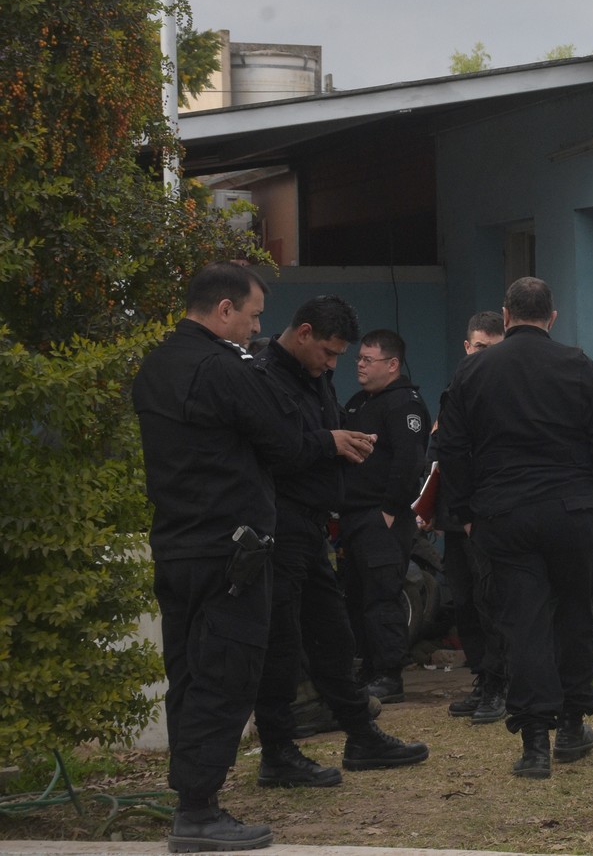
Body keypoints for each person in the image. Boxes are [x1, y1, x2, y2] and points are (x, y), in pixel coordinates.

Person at [132, 263, 374, 852]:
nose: (255, 327)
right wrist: (322, 442)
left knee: (189, 672)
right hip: (229, 550)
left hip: (177, 543)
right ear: (222, 310)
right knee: (227, 674)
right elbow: (286, 442)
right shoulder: (225, 369)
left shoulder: (157, 363)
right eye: (253, 315)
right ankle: (198, 812)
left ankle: (190, 792)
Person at [435, 277, 593, 780]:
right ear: (553, 316)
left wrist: (468, 512)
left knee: (522, 622)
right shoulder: (579, 367)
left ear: (505, 316)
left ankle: (534, 742)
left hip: (505, 514)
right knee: (573, 614)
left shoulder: (473, 371)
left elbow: (451, 450)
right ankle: (571, 723)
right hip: (574, 509)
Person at [252, 296, 429, 788]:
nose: (335, 365)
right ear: (303, 333)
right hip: (281, 523)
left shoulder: (318, 377)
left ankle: (361, 733)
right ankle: (279, 751)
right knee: (283, 642)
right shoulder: (265, 375)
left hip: (314, 523)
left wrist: (339, 445)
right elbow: (275, 446)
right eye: (329, 354)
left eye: (342, 357)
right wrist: (330, 442)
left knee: (335, 632)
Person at [339, 329, 430, 703]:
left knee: (382, 596)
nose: (359, 365)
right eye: (358, 358)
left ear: (392, 365)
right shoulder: (361, 402)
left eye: (368, 360)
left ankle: (390, 674)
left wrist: (391, 511)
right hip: (354, 515)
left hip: (382, 517)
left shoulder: (404, 405)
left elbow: (409, 464)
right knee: (357, 597)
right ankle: (370, 668)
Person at [434, 311, 508, 724]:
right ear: (467, 348)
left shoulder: (502, 391)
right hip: (455, 514)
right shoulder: (457, 388)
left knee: (490, 600)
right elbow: (441, 450)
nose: (484, 357)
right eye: (479, 348)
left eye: (492, 349)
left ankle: (499, 683)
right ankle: (483, 678)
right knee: (464, 599)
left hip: (486, 513)